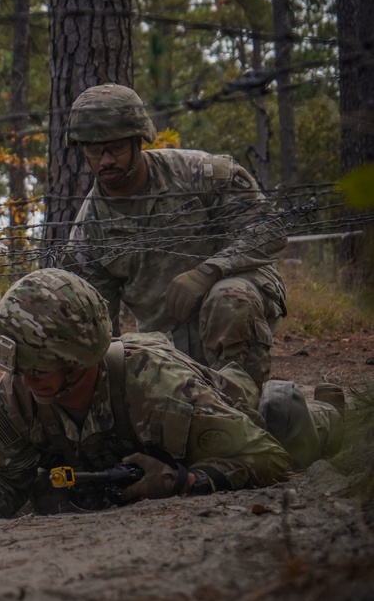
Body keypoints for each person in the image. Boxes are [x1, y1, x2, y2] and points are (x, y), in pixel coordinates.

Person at [0, 269, 340, 519]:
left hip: (226, 408)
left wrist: (182, 481)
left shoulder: (159, 390)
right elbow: (7, 479)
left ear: (79, 357)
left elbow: (267, 458)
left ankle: (333, 409)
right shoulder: (17, 398)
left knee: (286, 420)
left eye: (40, 366)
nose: (26, 380)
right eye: (18, 367)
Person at [63, 83, 287, 389]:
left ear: (137, 141)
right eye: (93, 150)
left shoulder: (200, 173)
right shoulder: (89, 232)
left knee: (228, 299)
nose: (105, 161)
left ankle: (244, 404)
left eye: (115, 148)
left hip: (239, 297)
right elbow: (99, 328)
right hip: (167, 339)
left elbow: (269, 229)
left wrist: (207, 272)